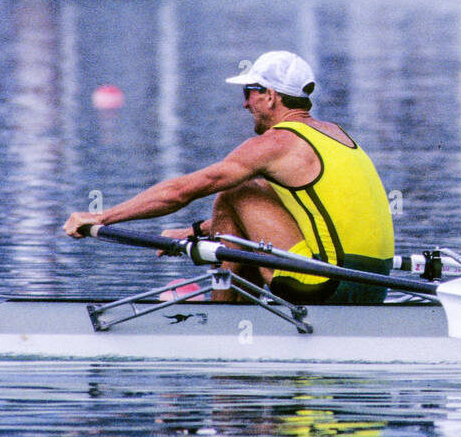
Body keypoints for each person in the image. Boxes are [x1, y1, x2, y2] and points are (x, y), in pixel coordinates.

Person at [63, 51, 395, 305]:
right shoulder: (337, 135)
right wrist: (195, 232)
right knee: (253, 194)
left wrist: (101, 217)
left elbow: (181, 192)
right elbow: (294, 215)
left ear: (270, 96)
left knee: (233, 193)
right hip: (375, 284)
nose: (245, 104)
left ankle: (224, 321)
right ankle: (240, 314)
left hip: (327, 286)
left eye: (249, 93)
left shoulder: (276, 144)